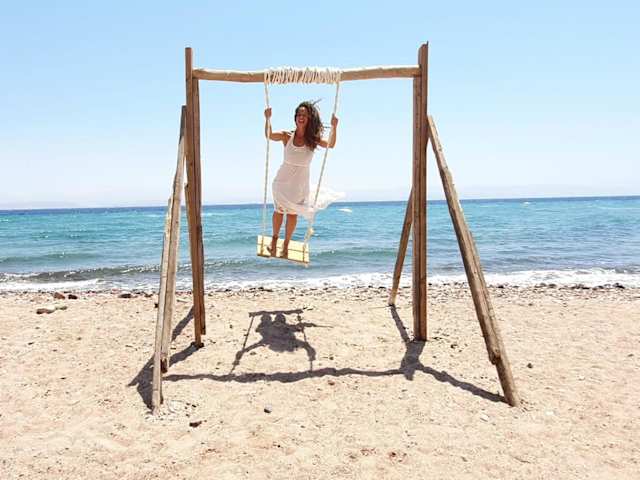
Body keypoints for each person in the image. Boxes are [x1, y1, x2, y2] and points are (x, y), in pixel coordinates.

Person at [264, 101, 342, 258]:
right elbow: (269, 135)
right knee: (279, 211)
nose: (301, 117)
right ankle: (274, 241)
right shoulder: (287, 136)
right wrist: (267, 119)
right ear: (295, 118)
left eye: (304, 115)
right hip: (282, 181)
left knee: (292, 214)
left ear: (309, 118)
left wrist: (334, 127)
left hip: (299, 185)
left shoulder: (312, 140)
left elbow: (331, 144)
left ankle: (286, 245)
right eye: (299, 114)